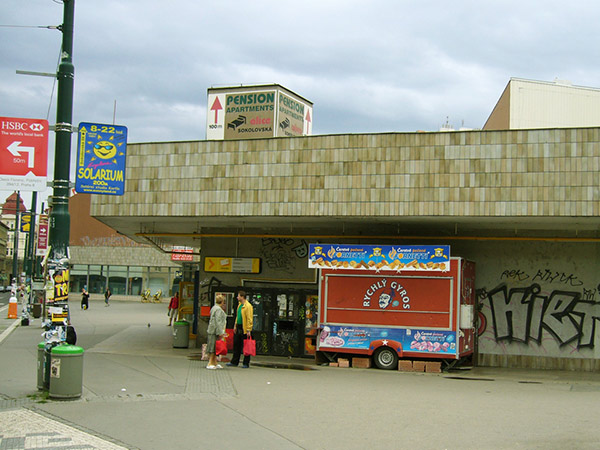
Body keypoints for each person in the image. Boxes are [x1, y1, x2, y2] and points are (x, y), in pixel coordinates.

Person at [227, 290, 253, 368]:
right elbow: (237, 316)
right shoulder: (239, 305)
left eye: (238, 296)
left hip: (244, 327)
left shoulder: (248, 306)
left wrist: (249, 329)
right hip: (238, 326)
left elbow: (249, 318)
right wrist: (235, 326)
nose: (237, 297)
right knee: (236, 344)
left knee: (246, 345)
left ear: (242, 297)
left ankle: (246, 362)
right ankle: (234, 361)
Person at [206, 294, 227, 369]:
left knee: (215, 347)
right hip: (215, 331)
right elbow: (218, 321)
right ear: (222, 302)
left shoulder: (214, 308)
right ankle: (210, 363)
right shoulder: (218, 309)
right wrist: (221, 332)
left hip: (212, 330)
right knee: (213, 347)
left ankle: (214, 362)